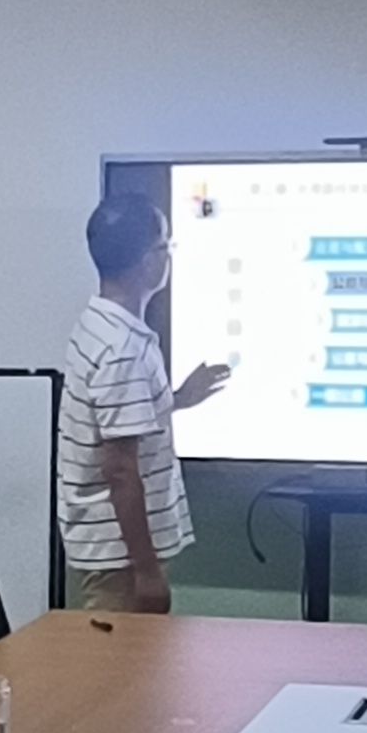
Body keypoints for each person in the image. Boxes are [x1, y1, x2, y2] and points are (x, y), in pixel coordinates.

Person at [58, 193, 230, 615]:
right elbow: (119, 469)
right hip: (120, 558)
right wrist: (148, 570)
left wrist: (177, 400)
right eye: (165, 245)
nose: (168, 256)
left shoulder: (100, 324)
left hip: (113, 551)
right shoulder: (122, 348)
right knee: (120, 659)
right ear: (148, 261)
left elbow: (111, 421)